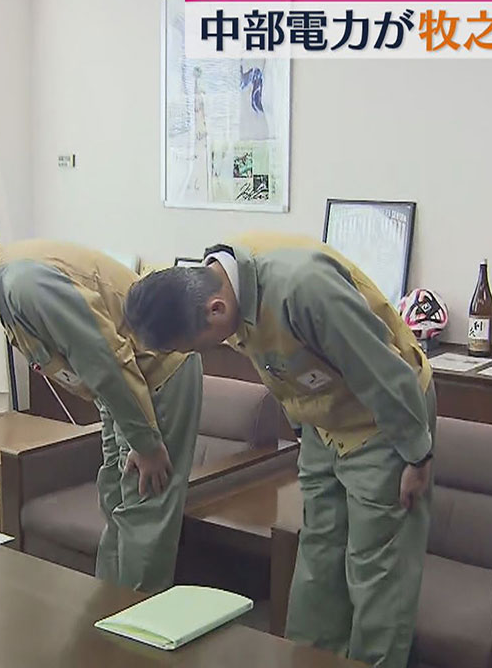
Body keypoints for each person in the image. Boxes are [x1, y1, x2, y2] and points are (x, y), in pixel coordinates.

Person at [124, 232, 435, 668]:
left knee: (377, 572)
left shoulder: (304, 286)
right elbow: (281, 365)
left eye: (194, 347)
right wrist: (304, 433)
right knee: (318, 557)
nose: (203, 354)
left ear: (216, 310)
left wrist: (416, 456)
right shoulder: (222, 284)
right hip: (323, 421)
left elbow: (385, 373)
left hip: (386, 418)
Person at [0, 241, 201, 592]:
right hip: (122, 390)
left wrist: (145, 443)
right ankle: (111, 604)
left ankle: (140, 618)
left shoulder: (25, 285)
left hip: (157, 374)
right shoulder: (6, 293)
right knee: (114, 496)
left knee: (145, 508)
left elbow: (104, 362)